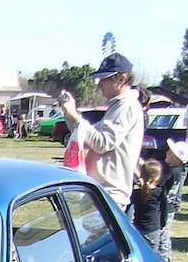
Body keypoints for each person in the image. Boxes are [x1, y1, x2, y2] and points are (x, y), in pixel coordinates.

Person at [56, 52, 144, 209]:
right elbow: (87, 137)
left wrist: (75, 115)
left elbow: (102, 143)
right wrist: (69, 114)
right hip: (101, 191)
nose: (99, 84)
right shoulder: (117, 106)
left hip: (109, 193)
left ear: (122, 79)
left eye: (105, 79)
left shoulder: (126, 105)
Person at [158, 139, 188, 262]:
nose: (167, 152)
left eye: (170, 152)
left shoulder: (171, 172)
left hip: (165, 208)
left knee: (163, 236)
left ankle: (165, 260)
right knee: (164, 235)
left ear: (177, 158)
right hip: (169, 207)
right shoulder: (177, 172)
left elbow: (159, 188)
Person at [130, 158, 167, 253]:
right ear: (157, 177)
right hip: (153, 228)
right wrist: (162, 224)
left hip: (138, 227)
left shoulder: (136, 193)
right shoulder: (160, 192)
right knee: (152, 254)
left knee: (139, 252)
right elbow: (164, 210)